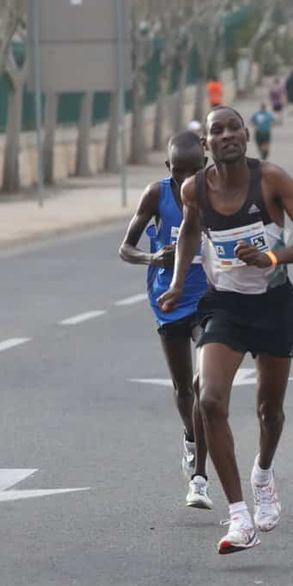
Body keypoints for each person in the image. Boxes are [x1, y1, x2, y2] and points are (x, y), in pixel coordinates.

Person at [158, 106, 293, 554]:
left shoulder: (271, 180)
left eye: (234, 128)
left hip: (274, 305)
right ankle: (238, 516)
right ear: (206, 144)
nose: (227, 135)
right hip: (224, 306)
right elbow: (190, 234)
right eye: (218, 130)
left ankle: (263, 474)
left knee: (269, 413)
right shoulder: (194, 188)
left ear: (247, 136)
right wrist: (178, 284)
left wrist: (273, 258)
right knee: (208, 397)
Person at [119, 131, 212, 509]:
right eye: (178, 171)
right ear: (168, 168)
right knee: (183, 389)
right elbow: (125, 248)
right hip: (168, 299)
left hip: (208, 296)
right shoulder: (156, 194)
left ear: (204, 166)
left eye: (194, 170)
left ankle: (200, 478)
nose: (186, 179)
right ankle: (191, 438)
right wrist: (151, 259)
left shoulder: (215, 191)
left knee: (204, 385)